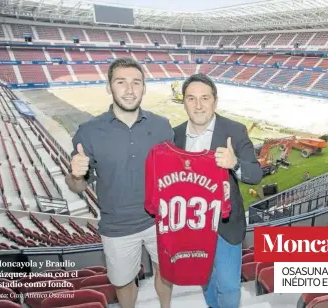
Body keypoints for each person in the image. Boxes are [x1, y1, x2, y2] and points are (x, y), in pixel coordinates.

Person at [65, 58, 175, 308]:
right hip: (116, 226)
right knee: (124, 283)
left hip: (160, 220)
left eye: (136, 82)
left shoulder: (162, 126)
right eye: (121, 82)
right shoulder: (89, 131)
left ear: (144, 87)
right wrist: (76, 175)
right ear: (109, 87)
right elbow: (78, 187)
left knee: (166, 273)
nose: (129, 89)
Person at [173, 73, 263, 308]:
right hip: (191, 226)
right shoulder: (173, 135)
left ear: (215, 100)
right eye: (191, 98)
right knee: (204, 279)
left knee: (230, 287)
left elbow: (255, 175)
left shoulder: (235, 130)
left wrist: (235, 163)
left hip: (225, 227)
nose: (199, 105)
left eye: (205, 98)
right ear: (183, 102)